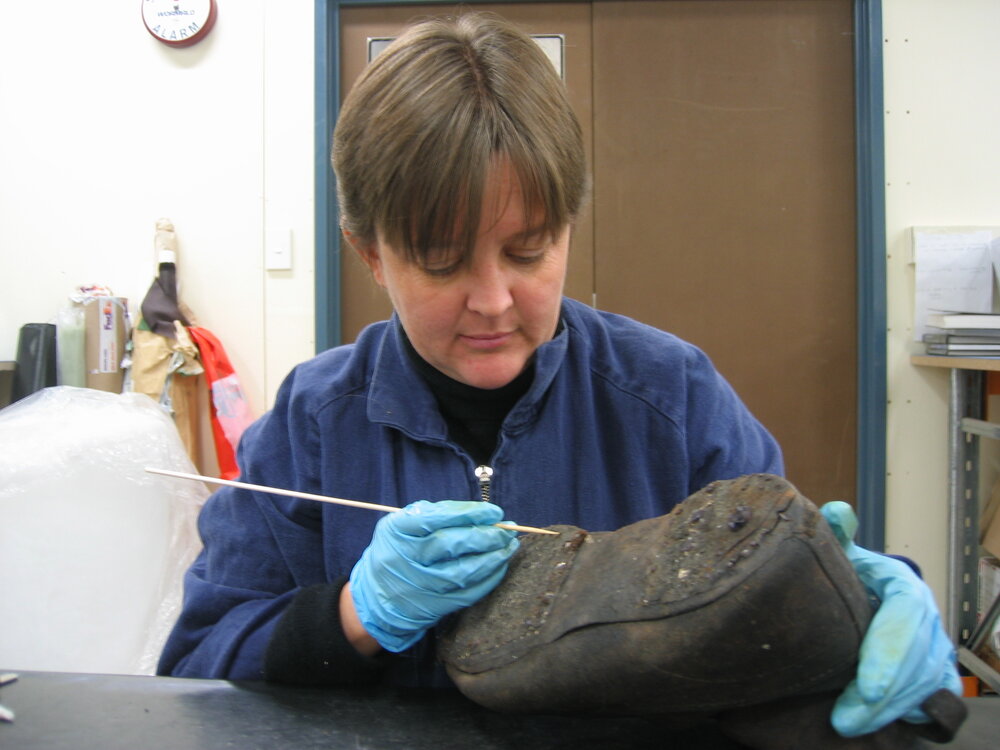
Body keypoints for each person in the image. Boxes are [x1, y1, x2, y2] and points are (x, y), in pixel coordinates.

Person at [158, 11, 960, 740]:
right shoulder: (314, 420)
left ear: (566, 226)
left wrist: (857, 604)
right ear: (372, 254)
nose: (494, 302)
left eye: (528, 251)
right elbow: (195, 667)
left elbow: (783, 594)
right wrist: (350, 618)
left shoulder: (669, 395)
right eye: (441, 263)